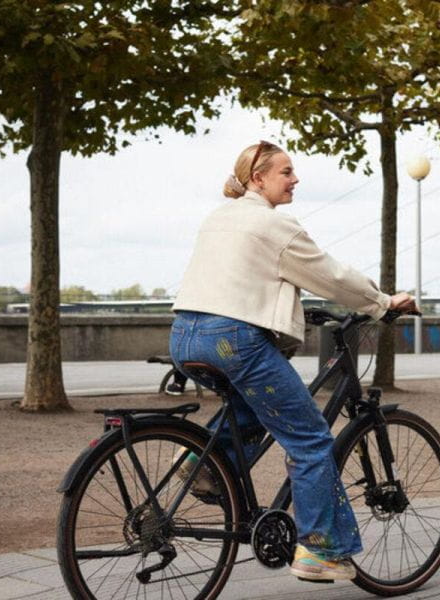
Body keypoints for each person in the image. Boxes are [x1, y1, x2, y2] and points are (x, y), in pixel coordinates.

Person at [170, 140, 415, 581]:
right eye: (286, 172)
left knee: (257, 405)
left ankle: (204, 464)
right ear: (257, 178)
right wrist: (382, 302)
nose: (295, 179)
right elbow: (331, 275)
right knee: (311, 440)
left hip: (185, 338)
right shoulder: (272, 226)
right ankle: (320, 551)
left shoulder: (217, 218)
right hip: (233, 340)